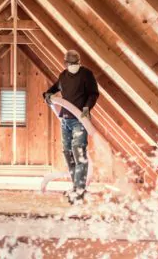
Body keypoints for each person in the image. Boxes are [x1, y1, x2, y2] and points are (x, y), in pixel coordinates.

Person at [43, 50, 99, 204]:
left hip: (80, 120)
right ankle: (76, 187)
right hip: (65, 119)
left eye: (75, 63)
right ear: (65, 63)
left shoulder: (86, 75)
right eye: (70, 63)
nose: (73, 66)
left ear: (79, 62)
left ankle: (80, 192)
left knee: (79, 154)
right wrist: (48, 95)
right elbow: (54, 89)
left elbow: (93, 94)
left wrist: (87, 107)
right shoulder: (63, 76)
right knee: (68, 154)